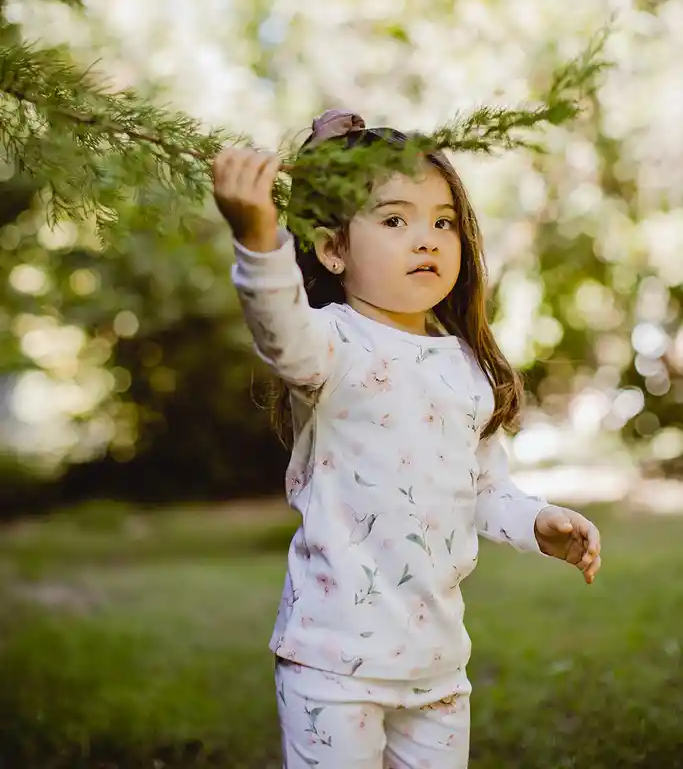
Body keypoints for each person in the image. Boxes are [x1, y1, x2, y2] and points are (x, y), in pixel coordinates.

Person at [212, 109, 602, 769]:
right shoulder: (330, 346)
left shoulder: (465, 366)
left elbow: (483, 489)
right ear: (333, 249)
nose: (426, 239)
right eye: (394, 220)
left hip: (437, 668)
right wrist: (258, 238)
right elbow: (276, 325)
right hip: (333, 666)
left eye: (442, 221)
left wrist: (536, 522)